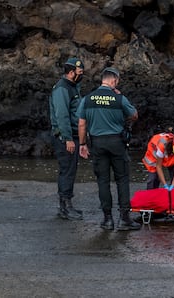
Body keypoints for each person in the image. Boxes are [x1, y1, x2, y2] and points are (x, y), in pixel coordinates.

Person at [77, 67, 140, 231]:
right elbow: (134, 115)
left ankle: (107, 219)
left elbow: (82, 123)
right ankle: (124, 218)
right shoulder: (119, 98)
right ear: (115, 81)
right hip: (116, 142)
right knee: (122, 179)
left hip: (97, 143)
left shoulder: (88, 99)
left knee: (103, 181)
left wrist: (82, 144)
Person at [49, 57, 85, 220]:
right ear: (71, 73)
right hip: (66, 137)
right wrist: (68, 138)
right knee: (67, 170)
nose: (81, 75)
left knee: (70, 169)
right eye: (79, 72)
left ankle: (67, 205)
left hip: (72, 135)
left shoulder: (72, 86)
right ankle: (65, 206)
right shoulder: (62, 89)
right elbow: (62, 115)